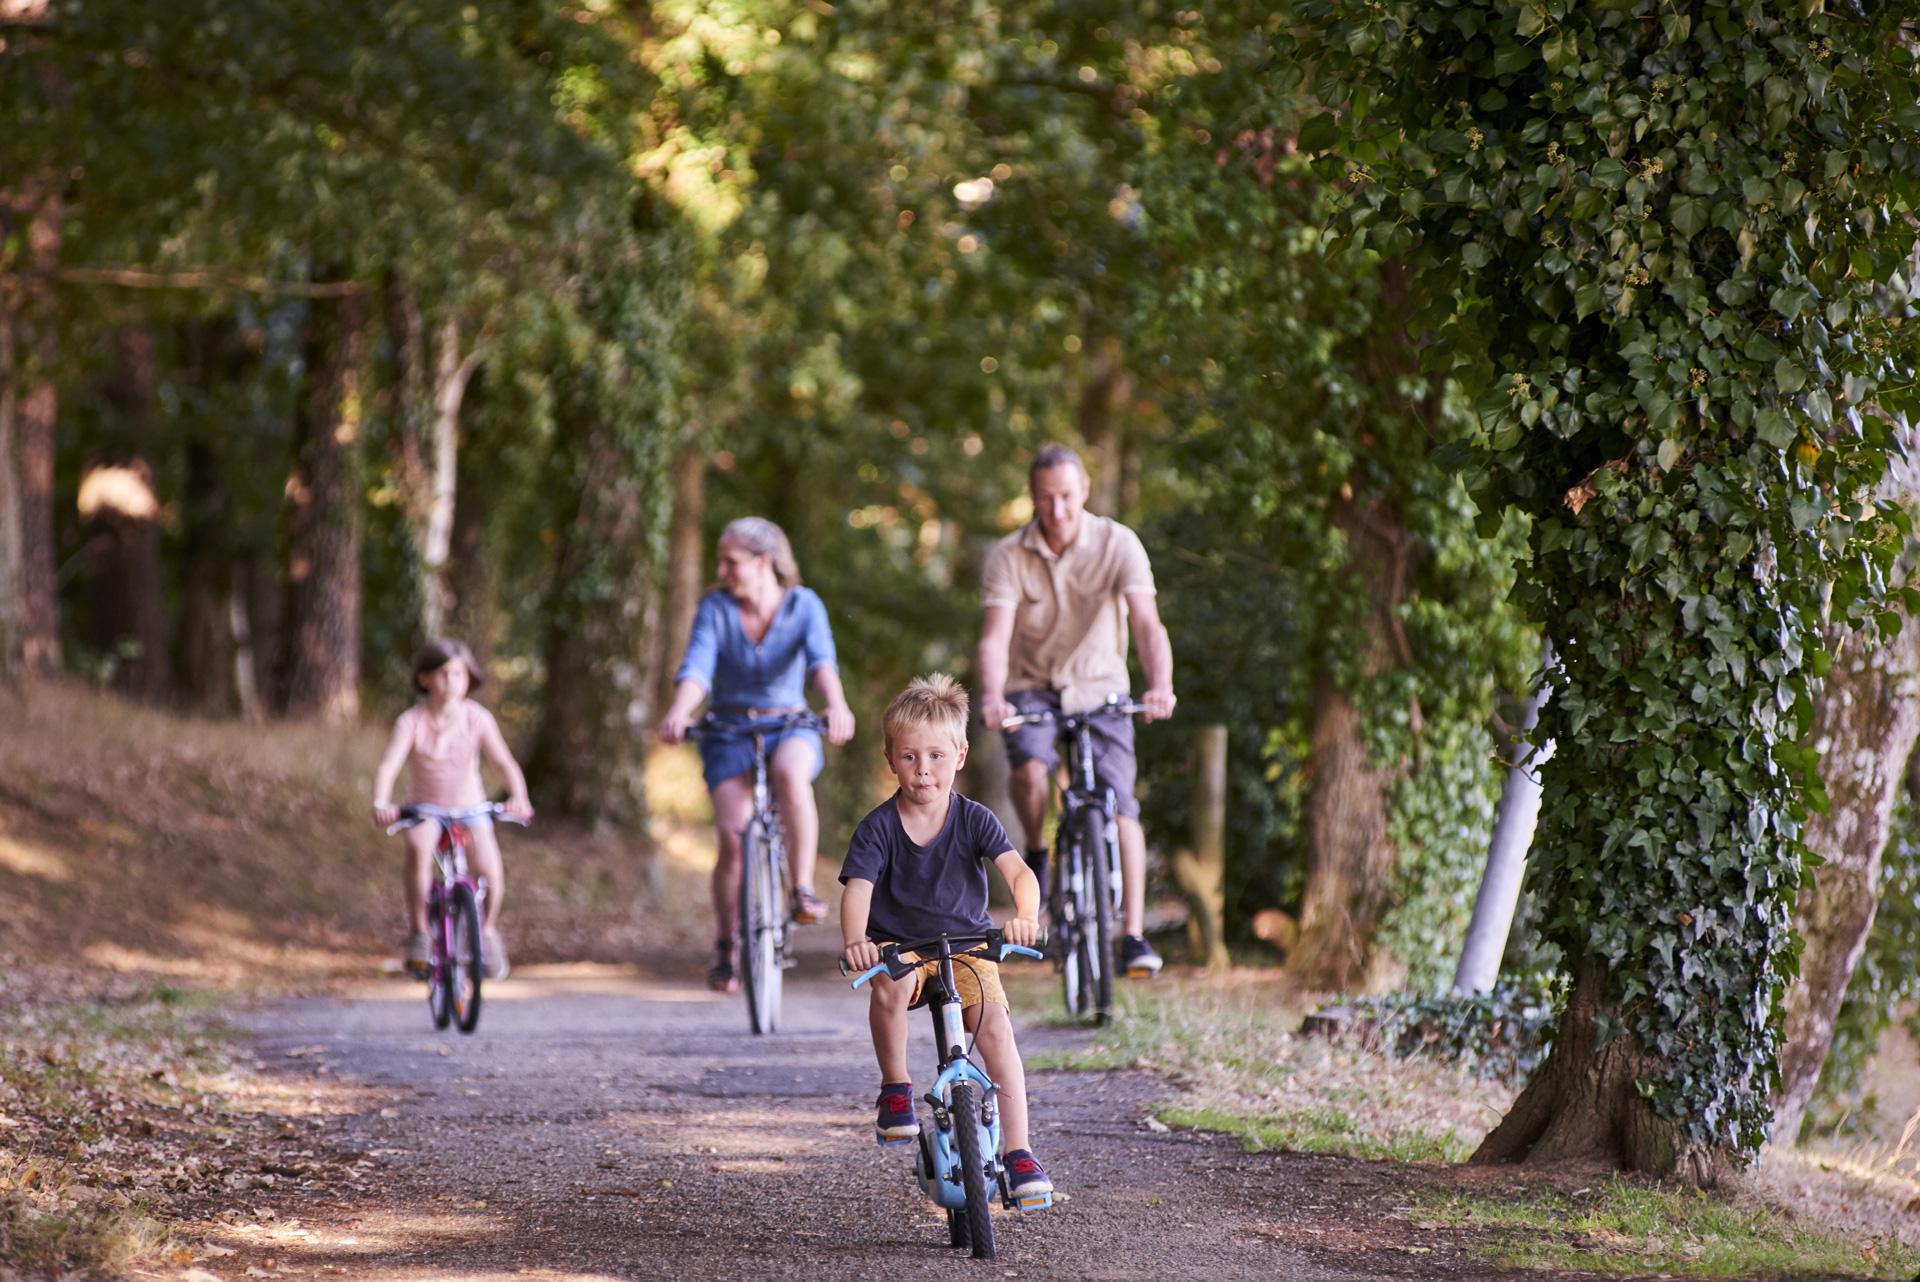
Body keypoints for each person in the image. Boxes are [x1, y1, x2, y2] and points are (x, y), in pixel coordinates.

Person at [839, 674, 1051, 1202]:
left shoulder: (975, 819)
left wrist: (1025, 913)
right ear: (890, 759)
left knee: (997, 1031)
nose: (923, 769)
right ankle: (896, 1087)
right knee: (888, 985)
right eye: (909, 757)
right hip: (903, 947)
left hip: (968, 947)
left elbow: (1019, 872)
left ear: (959, 755)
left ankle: (1018, 1153)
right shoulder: (878, 828)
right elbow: (858, 890)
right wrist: (856, 940)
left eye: (935, 756)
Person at [976, 444, 1176, 977]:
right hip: (1031, 687)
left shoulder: (1118, 544)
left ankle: (1132, 935)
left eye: (1066, 496)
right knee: (1030, 769)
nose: (1057, 509)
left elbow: (1147, 624)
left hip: (1100, 687)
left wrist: (1161, 685)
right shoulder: (1008, 555)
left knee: (1120, 805)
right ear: (1032, 498)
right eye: (1045, 498)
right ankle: (1038, 851)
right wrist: (994, 696)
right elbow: (995, 639)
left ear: (1083, 492)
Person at [658, 516, 856, 993]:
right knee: (732, 835)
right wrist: (680, 711)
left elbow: (821, 663)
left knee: (791, 775)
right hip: (727, 728)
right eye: (721, 561)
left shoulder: (804, 605)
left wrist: (836, 704)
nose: (722, 570)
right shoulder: (715, 609)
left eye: (732, 561)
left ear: (764, 561)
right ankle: (726, 946)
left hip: (789, 722)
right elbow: (697, 668)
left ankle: (802, 889)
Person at [372, 638, 534, 980]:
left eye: (459, 675)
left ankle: (486, 932)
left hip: (471, 808)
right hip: (425, 809)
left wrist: (519, 796)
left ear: (469, 678)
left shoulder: (478, 718)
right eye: (443, 674)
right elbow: (389, 765)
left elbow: (503, 762)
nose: (452, 682)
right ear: (425, 679)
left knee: (488, 870)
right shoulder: (411, 721)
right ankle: (419, 935)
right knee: (418, 849)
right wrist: (382, 802)